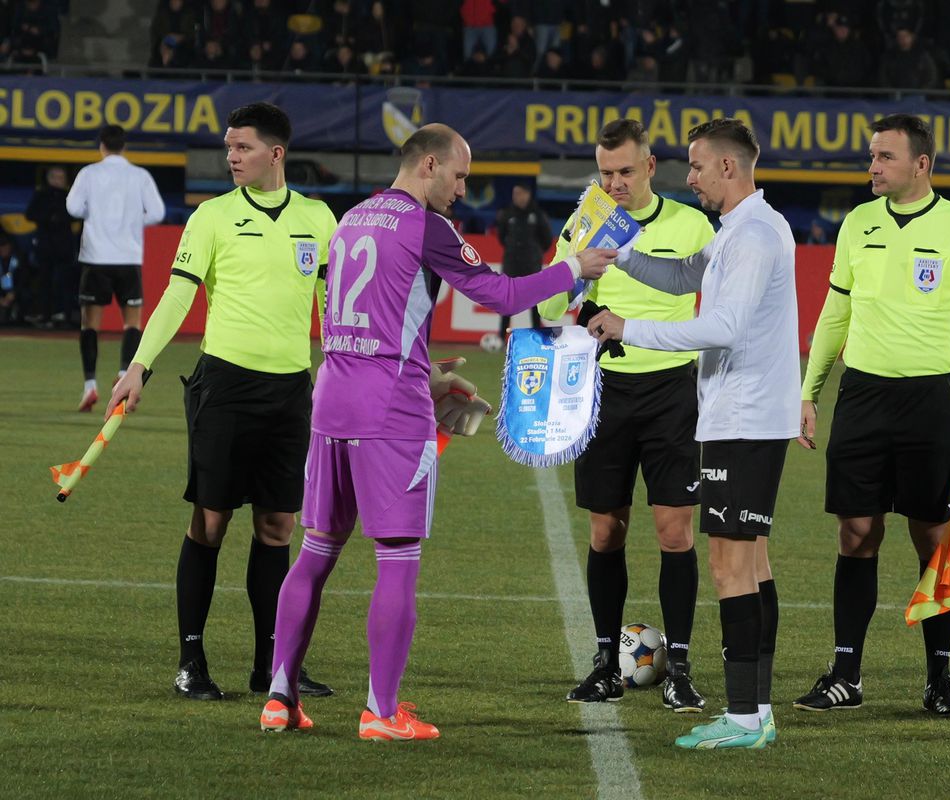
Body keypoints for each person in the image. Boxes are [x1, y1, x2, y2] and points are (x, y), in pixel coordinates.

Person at [257, 123, 614, 738]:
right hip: (391, 412)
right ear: (429, 165)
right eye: (459, 175)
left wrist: (428, 374)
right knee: (397, 559)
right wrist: (572, 268)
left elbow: (363, 322)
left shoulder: (351, 219)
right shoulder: (427, 225)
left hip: (332, 401)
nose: (462, 189)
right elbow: (500, 294)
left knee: (316, 551)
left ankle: (278, 698)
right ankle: (381, 712)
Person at [107, 103, 336, 701]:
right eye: (229, 147)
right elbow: (176, 295)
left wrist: (355, 367)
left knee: (278, 526)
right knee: (210, 523)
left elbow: (334, 304)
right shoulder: (211, 217)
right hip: (225, 387)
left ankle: (273, 667)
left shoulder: (318, 218)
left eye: (243, 147)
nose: (231, 157)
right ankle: (192, 662)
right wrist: (138, 367)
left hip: (291, 391)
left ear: (275, 153)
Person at [587, 118, 801, 750]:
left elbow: (725, 327)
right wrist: (621, 252)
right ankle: (757, 711)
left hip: (744, 417)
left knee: (731, 565)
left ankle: (744, 717)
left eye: (698, 166)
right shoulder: (741, 227)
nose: (691, 177)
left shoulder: (753, 234)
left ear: (728, 167)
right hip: (744, 415)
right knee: (752, 563)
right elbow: (683, 276)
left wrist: (628, 328)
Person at [795, 113, 950, 718]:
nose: (873, 167)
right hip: (861, 396)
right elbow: (835, 313)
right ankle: (846, 675)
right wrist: (809, 392)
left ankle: (939, 679)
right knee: (856, 532)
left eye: (885, 156)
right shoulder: (858, 223)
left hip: (928, 402)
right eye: (872, 156)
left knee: (932, 538)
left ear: (921, 164)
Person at [537, 119, 715, 712]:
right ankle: (605, 663)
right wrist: (573, 275)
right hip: (603, 390)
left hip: (672, 393)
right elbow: (550, 302)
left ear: (650, 167)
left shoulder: (691, 224)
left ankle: (680, 669)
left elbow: (708, 308)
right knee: (605, 530)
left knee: (674, 531)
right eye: (605, 172)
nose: (614, 182)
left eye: (625, 171)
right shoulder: (584, 221)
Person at [67, 125, 165, 412]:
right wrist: (133, 222)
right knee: (132, 322)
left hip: (95, 258)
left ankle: (90, 385)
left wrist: (95, 216)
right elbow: (157, 212)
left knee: (89, 324)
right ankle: (124, 373)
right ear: (124, 146)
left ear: (101, 145)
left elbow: (73, 208)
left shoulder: (88, 173)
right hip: (128, 258)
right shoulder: (140, 176)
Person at [496, 182, 553, 336]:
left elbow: (547, 239)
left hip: (531, 265)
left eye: (519, 193)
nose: (516, 197)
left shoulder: (538, 214)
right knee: (507, 300)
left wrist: (535, 253)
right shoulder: (507, 214)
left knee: (534, 302)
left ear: (527, 195)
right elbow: (501, 236)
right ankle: (501, 337)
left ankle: (537, 336)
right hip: (511, 264)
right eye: (514, 194)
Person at [24, 165, 75, 327]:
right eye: (57, 177)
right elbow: (29, 214)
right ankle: (45, 315)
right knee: (44, 282)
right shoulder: (41, 195)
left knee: (64, 282)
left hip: (64, 247)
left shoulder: (70, 195)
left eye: (62, 177)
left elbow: (77, 214)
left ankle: (64, 315)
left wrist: (61, 217)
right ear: (49, 178)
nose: (60, 181)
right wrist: (48, 217)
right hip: (46, 246)